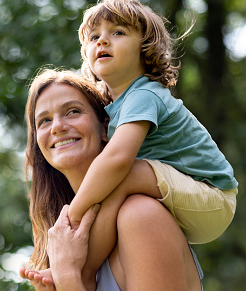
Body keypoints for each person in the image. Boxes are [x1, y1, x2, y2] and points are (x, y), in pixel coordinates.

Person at [59, 0, 238, 288]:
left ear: (145, 48)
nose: (103, 41)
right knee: (116, 184)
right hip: (184, 198)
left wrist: (73, 215)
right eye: (94, 36)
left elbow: (116, 159)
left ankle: (84, 268)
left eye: (118, 32)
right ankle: (88, 266)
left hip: (213, 196)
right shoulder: (117, 106)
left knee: (123, 172)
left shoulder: (144, 95)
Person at [20, 69, 203, 290]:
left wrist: (68, 276)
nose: (57, 126)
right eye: (44, 121)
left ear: (106, 128)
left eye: (73, 111)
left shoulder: (140, 215)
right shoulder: (62, 248)